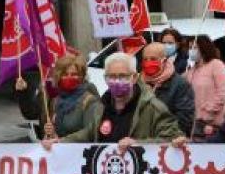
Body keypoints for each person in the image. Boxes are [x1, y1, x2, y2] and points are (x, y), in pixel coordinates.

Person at [45, 52, 181, 146]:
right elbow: (89, 133)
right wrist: (61, 142)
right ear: (105, 78)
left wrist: (138, 144)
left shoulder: (153, 107)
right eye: (112, 76)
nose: (117, 81)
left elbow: (174, 139)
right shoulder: (102, 107)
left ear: (134, 78)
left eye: (122, 76)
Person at [13, 53, 101, 139]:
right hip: (54, 149)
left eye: (74, 74)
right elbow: (30, 113)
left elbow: (91, 131)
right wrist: (23, 92)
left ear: (81, 76)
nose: (69, 77)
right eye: (65, 74)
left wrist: (61, 141)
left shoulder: (89, 96)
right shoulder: (51, 93)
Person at [139, 41, 196, 135]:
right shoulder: (137, 83)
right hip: (139, 139)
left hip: (167, 140)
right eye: (145, 59)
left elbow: (185, 118)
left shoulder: (180, 84)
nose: (148, 62)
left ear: (164, 60)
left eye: (153, 59)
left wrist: (165, 134)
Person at [187, 34, 225, 140]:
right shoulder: (192, 70)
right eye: (189, 47)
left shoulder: (216, 65)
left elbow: (222, 92)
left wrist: (209, 111)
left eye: (194, 47)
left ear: (204, 47)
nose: (191, 51)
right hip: (195, 122)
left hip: (212, 123)